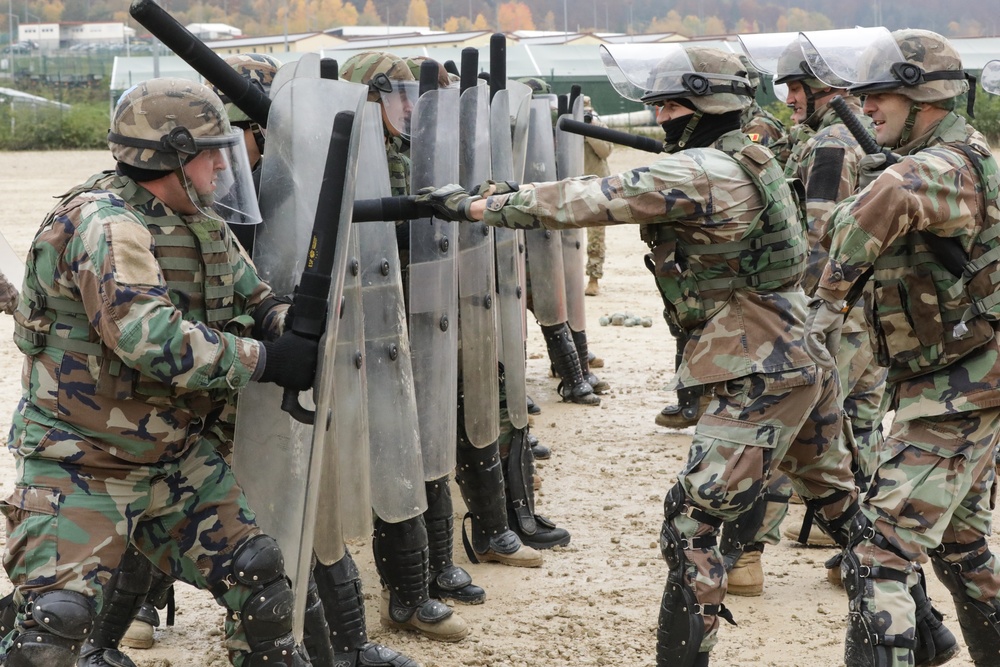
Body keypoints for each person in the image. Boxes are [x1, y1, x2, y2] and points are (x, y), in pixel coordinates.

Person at [418, 44, 863, 667]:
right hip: (795, 355)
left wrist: (478, 205)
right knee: (841, 504)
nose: (660, 117)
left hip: (760, 367)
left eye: (668, 105)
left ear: (702, 105)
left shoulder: (701, 171)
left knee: (690, 524)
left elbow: (590, 199)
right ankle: (912, 624)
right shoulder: (749, 155)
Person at [0, 77, 317, 667]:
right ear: (173, 157)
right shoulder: (107, 224)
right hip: (84, 459)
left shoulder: (198, 221)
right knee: (53, 628)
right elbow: (152, 338)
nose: (224, 168)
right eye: (212, 155)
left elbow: (253, 296)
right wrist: (265, 360)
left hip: (174, 456)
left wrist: (284, 321)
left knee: (261, 584)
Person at [803, 28, 1000, 667]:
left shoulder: (943, 165)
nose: (868, 108)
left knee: (880, 553)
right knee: (962, 544)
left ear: (926, 98)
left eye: (881, 96)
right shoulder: (935, 159)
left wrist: (823, 302)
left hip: (962, 387)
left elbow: (876, 206)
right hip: (948, 377)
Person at [723, 34, 890, 598]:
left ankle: (746, 555)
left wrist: (807, 317)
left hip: (834, 312)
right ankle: (856, 549)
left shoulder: (833, 144)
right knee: (858, 426)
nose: (790, 97)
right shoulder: (852, 135)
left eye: (798, 86)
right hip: (869, 312)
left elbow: (820, 233)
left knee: (789, 425)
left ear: (827, 89)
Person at [340, 51, 475, 644]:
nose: (403, 109)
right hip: (354, 323)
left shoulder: (405, 155)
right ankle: (406, 593)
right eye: (392, 96)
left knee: (416, 444)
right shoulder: (338, 154)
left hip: (408, 314)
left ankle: (424, 578)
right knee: (388, 452)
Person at [581, 96, 614, 298]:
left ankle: (594, 279)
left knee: (595, 236)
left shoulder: (598, 125)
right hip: (572, 182)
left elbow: (605, 151)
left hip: (596, 186)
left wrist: (589, 130)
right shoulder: (562, 125)